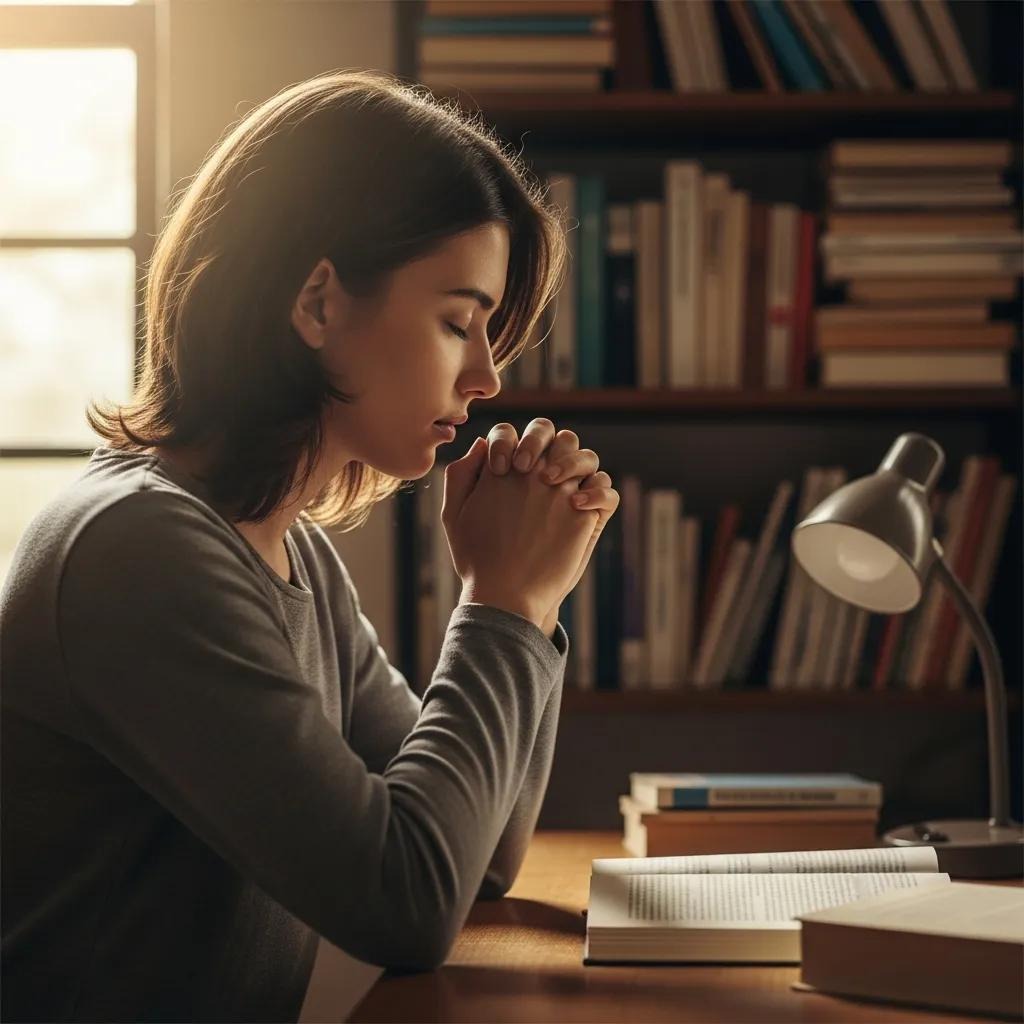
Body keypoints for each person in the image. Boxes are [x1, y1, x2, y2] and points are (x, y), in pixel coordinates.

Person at [0, 69, 619, 1022]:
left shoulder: (284, 551)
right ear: (319, 303)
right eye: (459, 321)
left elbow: (477, 859)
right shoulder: (141, 552)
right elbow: (405, 904)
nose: (489, 375)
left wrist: (528, 603)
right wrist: (498, 604)